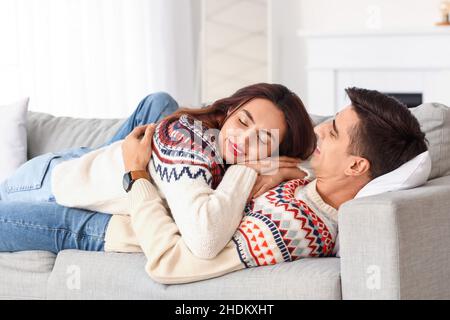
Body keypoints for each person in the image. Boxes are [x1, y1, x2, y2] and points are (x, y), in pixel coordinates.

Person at [117, 87, 428, 284]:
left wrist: (135, 176)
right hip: (158, 186)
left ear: (356, 166)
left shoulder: (292, 225)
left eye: (332, 131)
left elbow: (171, 264)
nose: (319, 129)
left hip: (109, 224)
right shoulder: (313, 180)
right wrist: (281, 172)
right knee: (159, 103)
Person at [0, 83, 316, 258]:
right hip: (46, 187)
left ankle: (117, 158)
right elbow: (205, 240)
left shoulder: (228, 159)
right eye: (244, 121)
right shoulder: (188, 139)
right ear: (230, 110)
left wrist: (273, 171)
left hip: (86, 170)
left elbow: (307, 177)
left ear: (276, 153)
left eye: (263, 139)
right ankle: (117, 160)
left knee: (159, 104)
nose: (243, 140)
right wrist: (251, 171)